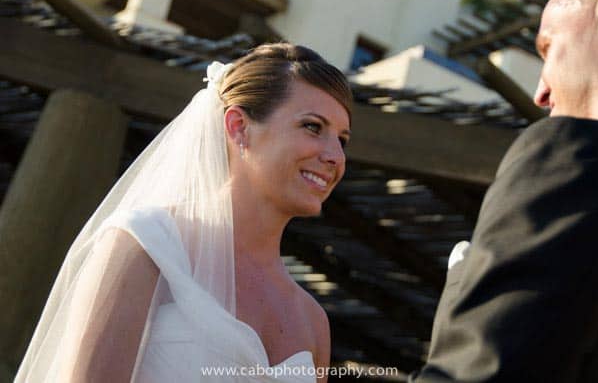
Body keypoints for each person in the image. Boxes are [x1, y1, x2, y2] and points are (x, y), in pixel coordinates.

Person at [14, 43, 352, 382]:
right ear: (238, 126)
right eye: (312, 127)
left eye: (342, 140)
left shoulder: (313, 321)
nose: (335, 157)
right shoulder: (146, 245)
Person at [410, 0, 598, 381]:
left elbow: (479, 371)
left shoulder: (571, 163)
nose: (540, 92)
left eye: (549, 49)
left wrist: (462, 289)